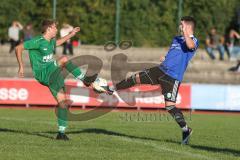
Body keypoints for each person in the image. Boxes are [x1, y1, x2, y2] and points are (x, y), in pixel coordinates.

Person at [106, 16, 199, 145]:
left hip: (172, 77)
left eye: (182, 25)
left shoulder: (193, 40)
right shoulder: (176, 39)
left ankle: (185, 129)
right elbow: (174, 54)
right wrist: (165, 58)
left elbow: (190, 46)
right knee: (135, 78)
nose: (179, 27)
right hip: (161, 69)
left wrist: (185, 32)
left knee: (170, 106)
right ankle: (112, 88)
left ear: (188, 27)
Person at [15, 19, 105, 140]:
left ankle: (61, 133)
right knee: (63, 59)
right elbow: (18, 48)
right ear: (48, 29)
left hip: (52, 73)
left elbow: (57, 43)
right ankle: (85, 79)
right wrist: (21, 66)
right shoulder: (37, 41)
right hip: (43, 73)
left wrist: (71, 34)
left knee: (63, 103)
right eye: (54, 27)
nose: (56, 29)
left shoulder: (50, 41)